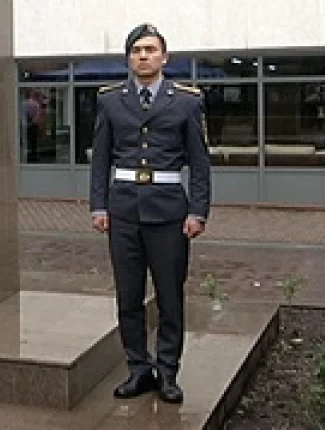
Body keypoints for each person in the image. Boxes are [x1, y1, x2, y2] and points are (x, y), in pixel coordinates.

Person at [89, 23, 211, 404]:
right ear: (129, 58)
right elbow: (101, 159)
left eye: (150, 49)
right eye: (136, 50)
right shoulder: (110, 100)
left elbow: (200, 162)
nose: (143, 56)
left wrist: (198, 211)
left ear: (164, 57)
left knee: (170, 296)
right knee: (128, 296)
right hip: (123, 209)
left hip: (169, 212)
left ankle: (168, 371)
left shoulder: (187, 101)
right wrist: (98, 205)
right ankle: (138, 369)